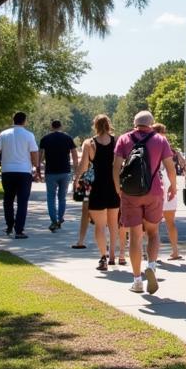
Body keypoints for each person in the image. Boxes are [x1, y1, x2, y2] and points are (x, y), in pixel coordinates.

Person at [113, 110, 177, 293]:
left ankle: (137, 280)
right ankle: (152, 266)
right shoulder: (160, 140)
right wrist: (173, 186)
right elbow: (170, 167)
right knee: (153, 232)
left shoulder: (124, 139)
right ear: (151, 123)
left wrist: (118, 188)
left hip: (131, 193)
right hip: (154, 191)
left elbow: (116, 167)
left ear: (135, 123)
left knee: (134, 235)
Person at [76, 114, 124, 271]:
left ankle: (103, 257)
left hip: (97, 188)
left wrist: (77, 180)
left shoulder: (89, 143)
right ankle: (112, 256)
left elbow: (83, 166)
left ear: (94, 125)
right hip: (113, 186)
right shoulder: (117, 142)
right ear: (109, 125)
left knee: (100, 226)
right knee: (113, 224)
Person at [0, 112, 39, 239]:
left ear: (13, 120)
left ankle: (9, 225)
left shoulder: (4, 134)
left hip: (7, 171)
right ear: (25, 121)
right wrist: (36, 167)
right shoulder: (29, 135)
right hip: (24, 172)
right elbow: (34, 152)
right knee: (22, 202)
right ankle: (19, 230)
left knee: (8, 200)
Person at [152, 122, 186, 260]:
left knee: (154, 223)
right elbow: (180, 165)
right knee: (170, 222)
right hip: (169, 182)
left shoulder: (151, 145)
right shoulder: (170, 149)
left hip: (156, 184)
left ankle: (154, 253)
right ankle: (175, 251)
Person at [39, 119, 78, 232]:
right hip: (65, 171)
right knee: (62, 197)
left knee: (51, 197)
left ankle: (53, 220)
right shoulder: (68, 138)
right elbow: (74, 154)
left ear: (51, 127)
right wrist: (76, 168)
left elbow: (40, 155)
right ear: (61, 126)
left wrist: (38, 166)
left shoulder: (45, 139)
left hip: (50, 171)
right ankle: (60, 218)